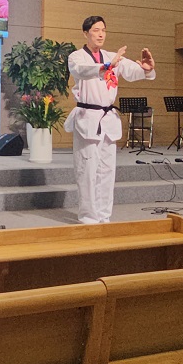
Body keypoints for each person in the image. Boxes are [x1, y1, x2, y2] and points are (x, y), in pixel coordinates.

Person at [64, 16, 155, 224]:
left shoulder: (112, 56)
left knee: (107, 170)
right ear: (85, 33)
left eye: (103, 30)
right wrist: (106, 66)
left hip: (108, 119)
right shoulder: (77, 57)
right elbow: (82, 71)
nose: (101, 34)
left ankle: (104, 216)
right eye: (96, 30)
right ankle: (88, 216)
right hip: (88, 118)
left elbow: (132, 71)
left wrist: (147, 69)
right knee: (87, 170)